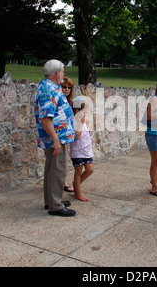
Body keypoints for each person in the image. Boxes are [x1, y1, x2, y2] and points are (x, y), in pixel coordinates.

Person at [34, 59, 76, 217]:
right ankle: (55, 205)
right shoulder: (47, 90)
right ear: (57, 73)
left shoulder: (51, 87)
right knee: (58, 171)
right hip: (55, 139)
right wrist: (56, 140)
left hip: (58, 137)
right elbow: (45, 118)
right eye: (63, 72)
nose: (63, 75)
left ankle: (52, 200)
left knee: (52, 170)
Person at [70, 99, 94, 202]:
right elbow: (77, 136)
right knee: (78, 171)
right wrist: (81, 123)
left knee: (90, 170)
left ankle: (76, 184)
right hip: (77, 150)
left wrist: (87, 126)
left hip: (86, 149)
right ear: (76, 111)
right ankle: (78, 192)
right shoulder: (74, 121)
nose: (85, 114)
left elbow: (89, 123)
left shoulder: (84, 119)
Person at [61, 77, 76, 193]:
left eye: (69, 87)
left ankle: (64, 182)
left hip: (67, 135)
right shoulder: (57, 101)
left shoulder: (71, 103)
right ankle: (59, 183)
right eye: (64, 87)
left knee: (65, 160)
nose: (66, 89)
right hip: (58, 135)